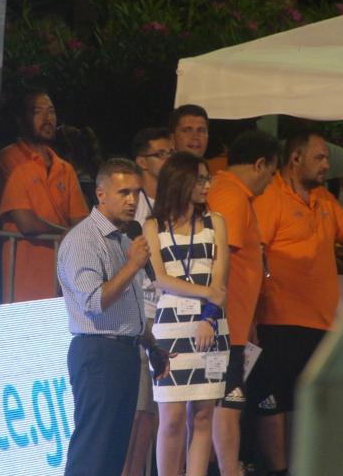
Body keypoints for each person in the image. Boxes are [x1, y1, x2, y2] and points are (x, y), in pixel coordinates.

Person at [249, 131, 343, 475]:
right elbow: (255, 252)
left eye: (327, 159)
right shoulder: (271, 195)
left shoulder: (323, 198)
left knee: (305, 405)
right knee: (273, 402)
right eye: (319, 158)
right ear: (296, 158)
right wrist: (257, 302)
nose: (326, 165)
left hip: (321, 322)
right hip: (278, 319)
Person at [58, 158, 170, 476]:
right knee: (92, 453)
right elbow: (94, 301)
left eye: (136, 192)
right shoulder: (84, 240)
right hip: (99, 353)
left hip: (124, 352)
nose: (132, 201)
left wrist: (151, 345)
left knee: (112, 455)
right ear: (101, 194)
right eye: (123, 192)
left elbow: (127, 307)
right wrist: (133, 265)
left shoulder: (123, 238)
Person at [143, 152, 230, 476]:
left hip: (211, 324)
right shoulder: (153, 226)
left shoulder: (215, 222)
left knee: (203, 415)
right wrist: (206, 293)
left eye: (207, 179)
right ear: (180, 181)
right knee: (171, 418)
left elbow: (220, 279)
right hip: (170, 329)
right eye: (200, 179)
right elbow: (160, 278)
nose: (207, 185)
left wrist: (208, 316)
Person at [206, 130, 280, 476]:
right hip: (224, 326)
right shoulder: (232, 196)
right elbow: (219, 257)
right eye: (271, 173)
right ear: (260, 164)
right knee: (226, 407)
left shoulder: (231, 193)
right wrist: (214, 315)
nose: (271, 182)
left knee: (224, 406)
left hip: (232, 324)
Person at [0, 92, 89, 301]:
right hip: (24, 269)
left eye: (51, 111)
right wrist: (66, 233)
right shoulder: (12, 161)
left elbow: (80, 221)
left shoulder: (65, 169)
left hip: (61, 272)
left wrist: (71, 234)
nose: (48, 118)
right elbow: (26, 222)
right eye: (38, 112)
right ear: (22, 119)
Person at [122, 127, 175, 476]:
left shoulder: (174, 204)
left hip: (169, 314)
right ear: (142, 161)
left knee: (158, 413)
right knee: (139, 414)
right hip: (142, 317)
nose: (169, 159)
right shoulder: (133, 207)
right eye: (161, 154)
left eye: (171, 153)